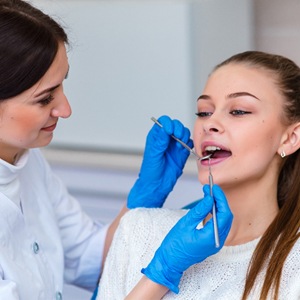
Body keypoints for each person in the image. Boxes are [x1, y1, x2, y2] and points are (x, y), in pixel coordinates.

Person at [0, 0, 194, 298]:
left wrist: (142, 202)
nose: (65, 109)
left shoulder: (29, 161)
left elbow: (87, 258)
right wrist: (159, 276)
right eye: (44, 99)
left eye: (62, 85)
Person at [97, 51, 300, 300]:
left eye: (238, 111)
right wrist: (159, 275)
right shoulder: (139, 228)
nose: (210, 123)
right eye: (204, 112)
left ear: (291, 138)